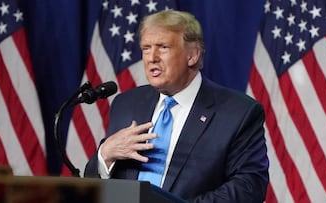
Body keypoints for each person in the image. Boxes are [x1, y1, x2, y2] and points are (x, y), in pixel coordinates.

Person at [84, 10, 269, 203]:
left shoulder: (238, 113)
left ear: (193, 55)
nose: (151, 57)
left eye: (163, 47)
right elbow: (93, 185)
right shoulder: (126, 103)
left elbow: (249, 186)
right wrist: (105, 155)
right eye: (146, 48)